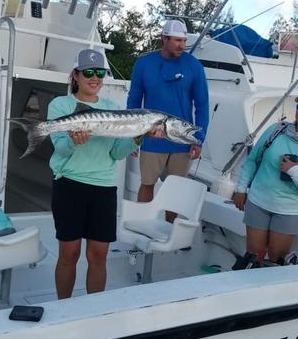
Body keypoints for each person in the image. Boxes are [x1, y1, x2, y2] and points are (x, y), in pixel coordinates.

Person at [49, 49, 153, 299]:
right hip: (69, 186)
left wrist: (137, 138)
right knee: (68, 254)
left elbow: (117, 153)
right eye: (88, 72)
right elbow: (61, 149)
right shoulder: (60, 105)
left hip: (104, 188)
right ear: (76, 74)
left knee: (99, 255)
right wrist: (75, 141)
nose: (95, 78)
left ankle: (94, 309)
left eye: (100, 72)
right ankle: (63, 307)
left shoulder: (113, 109)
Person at [232, 91, 298, 266]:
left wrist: (296, 173)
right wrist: (240, 189)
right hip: (258, 202)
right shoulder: (276, 130)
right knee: (254, 256)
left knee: (276, 261)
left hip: (289, 211)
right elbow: (252, 160)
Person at [127, 19, 209, 220]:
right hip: (151, 137)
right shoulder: (144, 63)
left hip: (181, 140)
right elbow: (134, 100)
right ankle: (141, 224)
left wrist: (199, 138)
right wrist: (134, 135)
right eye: (177, 41)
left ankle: (170, 229)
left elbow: (202, 104)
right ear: (164, 38)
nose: (182, 45)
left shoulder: (194, 66)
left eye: (183, 41)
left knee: (176, 190)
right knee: (147, 183)